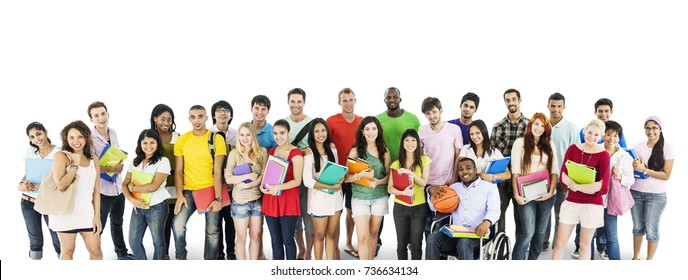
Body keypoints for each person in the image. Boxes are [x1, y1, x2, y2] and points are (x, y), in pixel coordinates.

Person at [172, 105, 227, 260]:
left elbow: (218, 171)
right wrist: (179, 195)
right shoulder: (182, 140)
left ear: (206, 118)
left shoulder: (217, 139)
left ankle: (210, 262)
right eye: (193, 117)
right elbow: (178, 171)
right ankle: (180, 257)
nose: (197, 120)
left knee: (213, 232)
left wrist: (218, 199)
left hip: (210, 190)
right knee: (177, 225)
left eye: (200, 116)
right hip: (189, 191)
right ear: (189, 119)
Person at [574, 98, 626, 259]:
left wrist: (620, 172)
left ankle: (602, 246)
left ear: (611, 112)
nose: (603, 114)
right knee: (583, 222)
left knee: (607, 225)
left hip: (609, 192)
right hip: (589, 188)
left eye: (606, 111)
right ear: (595, 112)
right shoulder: (587, 131)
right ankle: (579, 246)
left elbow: (623, 154)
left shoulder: (617, 133)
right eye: (600, 111)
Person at [552, 119, 611, 260]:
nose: (592, 136)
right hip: (571, 202)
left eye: (596, 134)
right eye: (589, 132)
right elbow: (563, 175)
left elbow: (601, 187)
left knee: (584, 245)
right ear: (584, 131)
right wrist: (587, 187)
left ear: (601, 137)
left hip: (592, 205)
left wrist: (576, 186)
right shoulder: (573, 149)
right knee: (559, 243)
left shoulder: (604, 155)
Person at [425, 157, 500, 260]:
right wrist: (430, 191)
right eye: (460, 169)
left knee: (464, 242)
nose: (464, 171)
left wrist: (486, 222)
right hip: (455, 233)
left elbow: (494, 210)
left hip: (477, 234)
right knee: (432, 238)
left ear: (475, 170)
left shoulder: (489, 188)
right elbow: (434, 208)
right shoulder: (453, 188)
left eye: (468, 168)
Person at [375, 87, 420, 256]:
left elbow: (418, 143)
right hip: (385, 170)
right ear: (384, 100)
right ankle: (376, 241)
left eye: (395, 97)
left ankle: (409, 242)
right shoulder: (379, 119)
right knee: (379, 207)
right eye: (388, 97)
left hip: (407, 170)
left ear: (400, 99)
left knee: (409, 207)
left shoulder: (412, 119)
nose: (392, 99)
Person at [49, 120, 103, 260]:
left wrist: (97, 216)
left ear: (86, 137)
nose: (76, 141)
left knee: (96, 251)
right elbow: (61, 185)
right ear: (66, 139)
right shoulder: (61, 156)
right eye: (71, 137)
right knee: (68, 251)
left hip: (87, 213)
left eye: (79, 136)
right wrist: (75, 164)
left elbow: (96, 190)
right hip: (65, 213)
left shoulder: (93, 160)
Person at [88, 101, 133, 260]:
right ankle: (96, 255)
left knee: (117, 223)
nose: (101, 118)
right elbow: (91, 166)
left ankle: (121, 254)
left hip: (118, 188)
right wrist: (111, 169)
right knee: (99, 226)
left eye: (103, 113)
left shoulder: (113, 132)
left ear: (108, 115)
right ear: (91, 120)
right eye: (96, 115)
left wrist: (119, 163)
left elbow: (115, 154)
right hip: (102, 191)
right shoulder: (90, 139)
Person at [510, 113, 559, 260]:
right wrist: (516, 195)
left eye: (542, 126)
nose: (538, 128)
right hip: (526, 195)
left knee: (540, 233)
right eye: (536, 124)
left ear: (546, 129)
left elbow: (555, 171)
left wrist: (550, 193)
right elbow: (515, 171)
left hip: (547, 195)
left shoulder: (549, 143)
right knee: (527, 232)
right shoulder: (520, 143)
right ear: (530, 124)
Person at [121, 129, 171, 260]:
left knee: (158, 241)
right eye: (145, 142)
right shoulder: (134, 162)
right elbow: (124, 184)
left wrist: (132, 187)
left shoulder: (163, 161)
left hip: (156, 207)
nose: (148, 146)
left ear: (157, 144)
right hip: (137, 206)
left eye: (152, 142)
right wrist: (132, 200)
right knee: (133, 241)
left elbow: (153, 187)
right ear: (140, 144)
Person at [346, 116, 390, 260]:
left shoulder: (385, 151)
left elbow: (389, 176)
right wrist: (360, 175)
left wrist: (378, 182)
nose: (371, 132)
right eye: (367, 129)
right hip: (359, 198)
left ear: (378, 130)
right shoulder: (355, 152)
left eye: (374, 128)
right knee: (362, 238)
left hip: (379, 198)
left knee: (373, 234)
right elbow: (346, 178)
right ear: (362, 132)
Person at [326, 87, 362, 258]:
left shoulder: (362, 122)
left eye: (350, 99)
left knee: (350, 211)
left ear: (355, 100)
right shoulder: (331, 121)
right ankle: (333, 248)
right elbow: (323, 143)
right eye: (344, 100)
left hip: (354, 174)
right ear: (339, 102)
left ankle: (348, 243)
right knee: (335, 212)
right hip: (335, 174)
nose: (348, 103)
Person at [630, 116, 673, 260]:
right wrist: (634, 166)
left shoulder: (667, 147)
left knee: (651, 230)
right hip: (635, 192)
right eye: (647, 128)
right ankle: (636, 258)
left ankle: (649, 261)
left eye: (654, 127)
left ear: (660, 129)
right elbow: (633, 169)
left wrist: (645, 170)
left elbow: (666, 175)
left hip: (656, 196)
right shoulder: (638, 147)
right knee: (637, 227)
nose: (651, 131)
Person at [418, 97, 462, 239]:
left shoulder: (454, 129)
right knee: (426, 223)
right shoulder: (422, 130)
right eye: (428, 113)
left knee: (444, 223)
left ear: (441, 110)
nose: (432, 116)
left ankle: (442, 256)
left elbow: (458, 155)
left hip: (447, 183)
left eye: (434, 112)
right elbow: (419, 155)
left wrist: (454, 177)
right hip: (428, 183)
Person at [224, 122, 268, 260]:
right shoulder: (234, 154)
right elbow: (228, 178)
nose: (245, 138)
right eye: (242, 134)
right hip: (240, 203)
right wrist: (247, 176)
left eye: (248, 134)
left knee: (256, 236)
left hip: (257, 202)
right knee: (241, 237)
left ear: (253, 136)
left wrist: (248, 184)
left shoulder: (262, 152)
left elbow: (263, 175)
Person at [261, 119, 304, 260]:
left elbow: (297, 181)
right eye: (275, 133)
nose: (278, 136)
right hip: (271, 199)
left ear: (289, 133)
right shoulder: (272, 151)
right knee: (275, 241)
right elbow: (268, 174)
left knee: (288, 240)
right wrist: (262, 186)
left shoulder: (296, 153)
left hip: (288, 201)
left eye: (282, 133)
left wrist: (280, 187)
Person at [542, 93, 580, 251]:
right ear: (548, 106)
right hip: (543, 178)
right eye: (553, 106)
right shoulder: (542, 125)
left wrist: (568, 180)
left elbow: (576, 157)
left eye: (559, 106)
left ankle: (557, 244)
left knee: (560, 214)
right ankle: (543, 242)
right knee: (544, 213)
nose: (556, 109)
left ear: (564, 107)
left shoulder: (571, 127)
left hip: (563, 179)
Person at [302, 118, 344, 260]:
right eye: (317, 131)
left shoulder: (331, 147)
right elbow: (308, 181)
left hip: (335, 198)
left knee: (331, 234)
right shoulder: (308, 152)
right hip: (318, 200)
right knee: (319, 235)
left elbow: (337, 169)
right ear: (311, 134)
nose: (321, 134)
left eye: (323, 130)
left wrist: (340, 179)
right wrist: (330, 186)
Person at [19, 122, 61, 259]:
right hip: (28, 202)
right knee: (35, 241)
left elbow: (60, 180)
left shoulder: (59, 152)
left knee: (58, 238)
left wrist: (39, 186)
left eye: (38, 133)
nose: (37, 138)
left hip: (49, 201)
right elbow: (28, 174)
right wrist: (21, 185)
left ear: (45, 132)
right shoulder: (30, 152)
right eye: (32, 137)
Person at [387, 129, 431, 260]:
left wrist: (410, 173)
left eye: (413, 140)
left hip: (419, 208)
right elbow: (390, 188)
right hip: (400, 208)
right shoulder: (396, 164)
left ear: (418, 143)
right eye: (407, 140)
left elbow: (423, 183)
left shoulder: (424, 160)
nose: (410, 143)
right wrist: (402, 192)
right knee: (401, 244)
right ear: (402, 143)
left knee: (416, 245)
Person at [490, 88, 528, 236]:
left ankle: (520, 251)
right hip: (502, 181)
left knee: (522, 220)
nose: (511, 102)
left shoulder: (530, 126)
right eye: (508, 100)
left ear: (519, 100)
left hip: (522, 181)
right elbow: (491, 154)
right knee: (498, 216)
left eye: (513, 99)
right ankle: (500, 250)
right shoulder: (497, 126)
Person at [282, 88, 314, 260]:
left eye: (299, 101)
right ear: (288, 102)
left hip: (307, 178)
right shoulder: (282, 123)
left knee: (308, 215)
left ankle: (308, 253)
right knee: (294, 218)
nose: (295, 105)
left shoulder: (311, 123)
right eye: (292, 101)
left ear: (304, 102)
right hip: (289, 178)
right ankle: (301, 249)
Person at [150, 103, 180, 260]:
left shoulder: (177, 136)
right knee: (161, 224)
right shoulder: (149, 137)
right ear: (155, 118)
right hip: (156, 185)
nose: (166, 123)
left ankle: (177, 253)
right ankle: (164, 254)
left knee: (174, 223)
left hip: (175, 183)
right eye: (162, 119)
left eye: (169, 119)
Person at [602, 120, 635, 260]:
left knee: (612, 237)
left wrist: (619, 175)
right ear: (603, 135)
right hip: (594, 199)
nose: (612, 138)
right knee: (589, 236)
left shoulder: (624, 156)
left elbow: (631, 180)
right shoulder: (595, 150)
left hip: (612, 201)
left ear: (619, 138)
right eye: (609, 134)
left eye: (615, 135)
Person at [210, 100, 237, 260]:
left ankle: (231, 252)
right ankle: (218, 252)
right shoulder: (208, 134)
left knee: (231, 219)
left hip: (232, 185)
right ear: (213, 115)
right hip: (213, 185)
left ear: (230, 115)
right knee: (215, 221)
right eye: (219, 110)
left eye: (226, 110)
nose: (222, 113)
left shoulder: (236, 134)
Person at [459, 120, 511, 184]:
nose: (474, 137)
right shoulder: (465, 149)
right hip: (469, 187)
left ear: (484, 132)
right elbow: (462, 170)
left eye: (477, 133)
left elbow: (508, 174)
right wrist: (482, 175)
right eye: (471, 134)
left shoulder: (494, 152)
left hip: (487, 188)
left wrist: (492, 177)